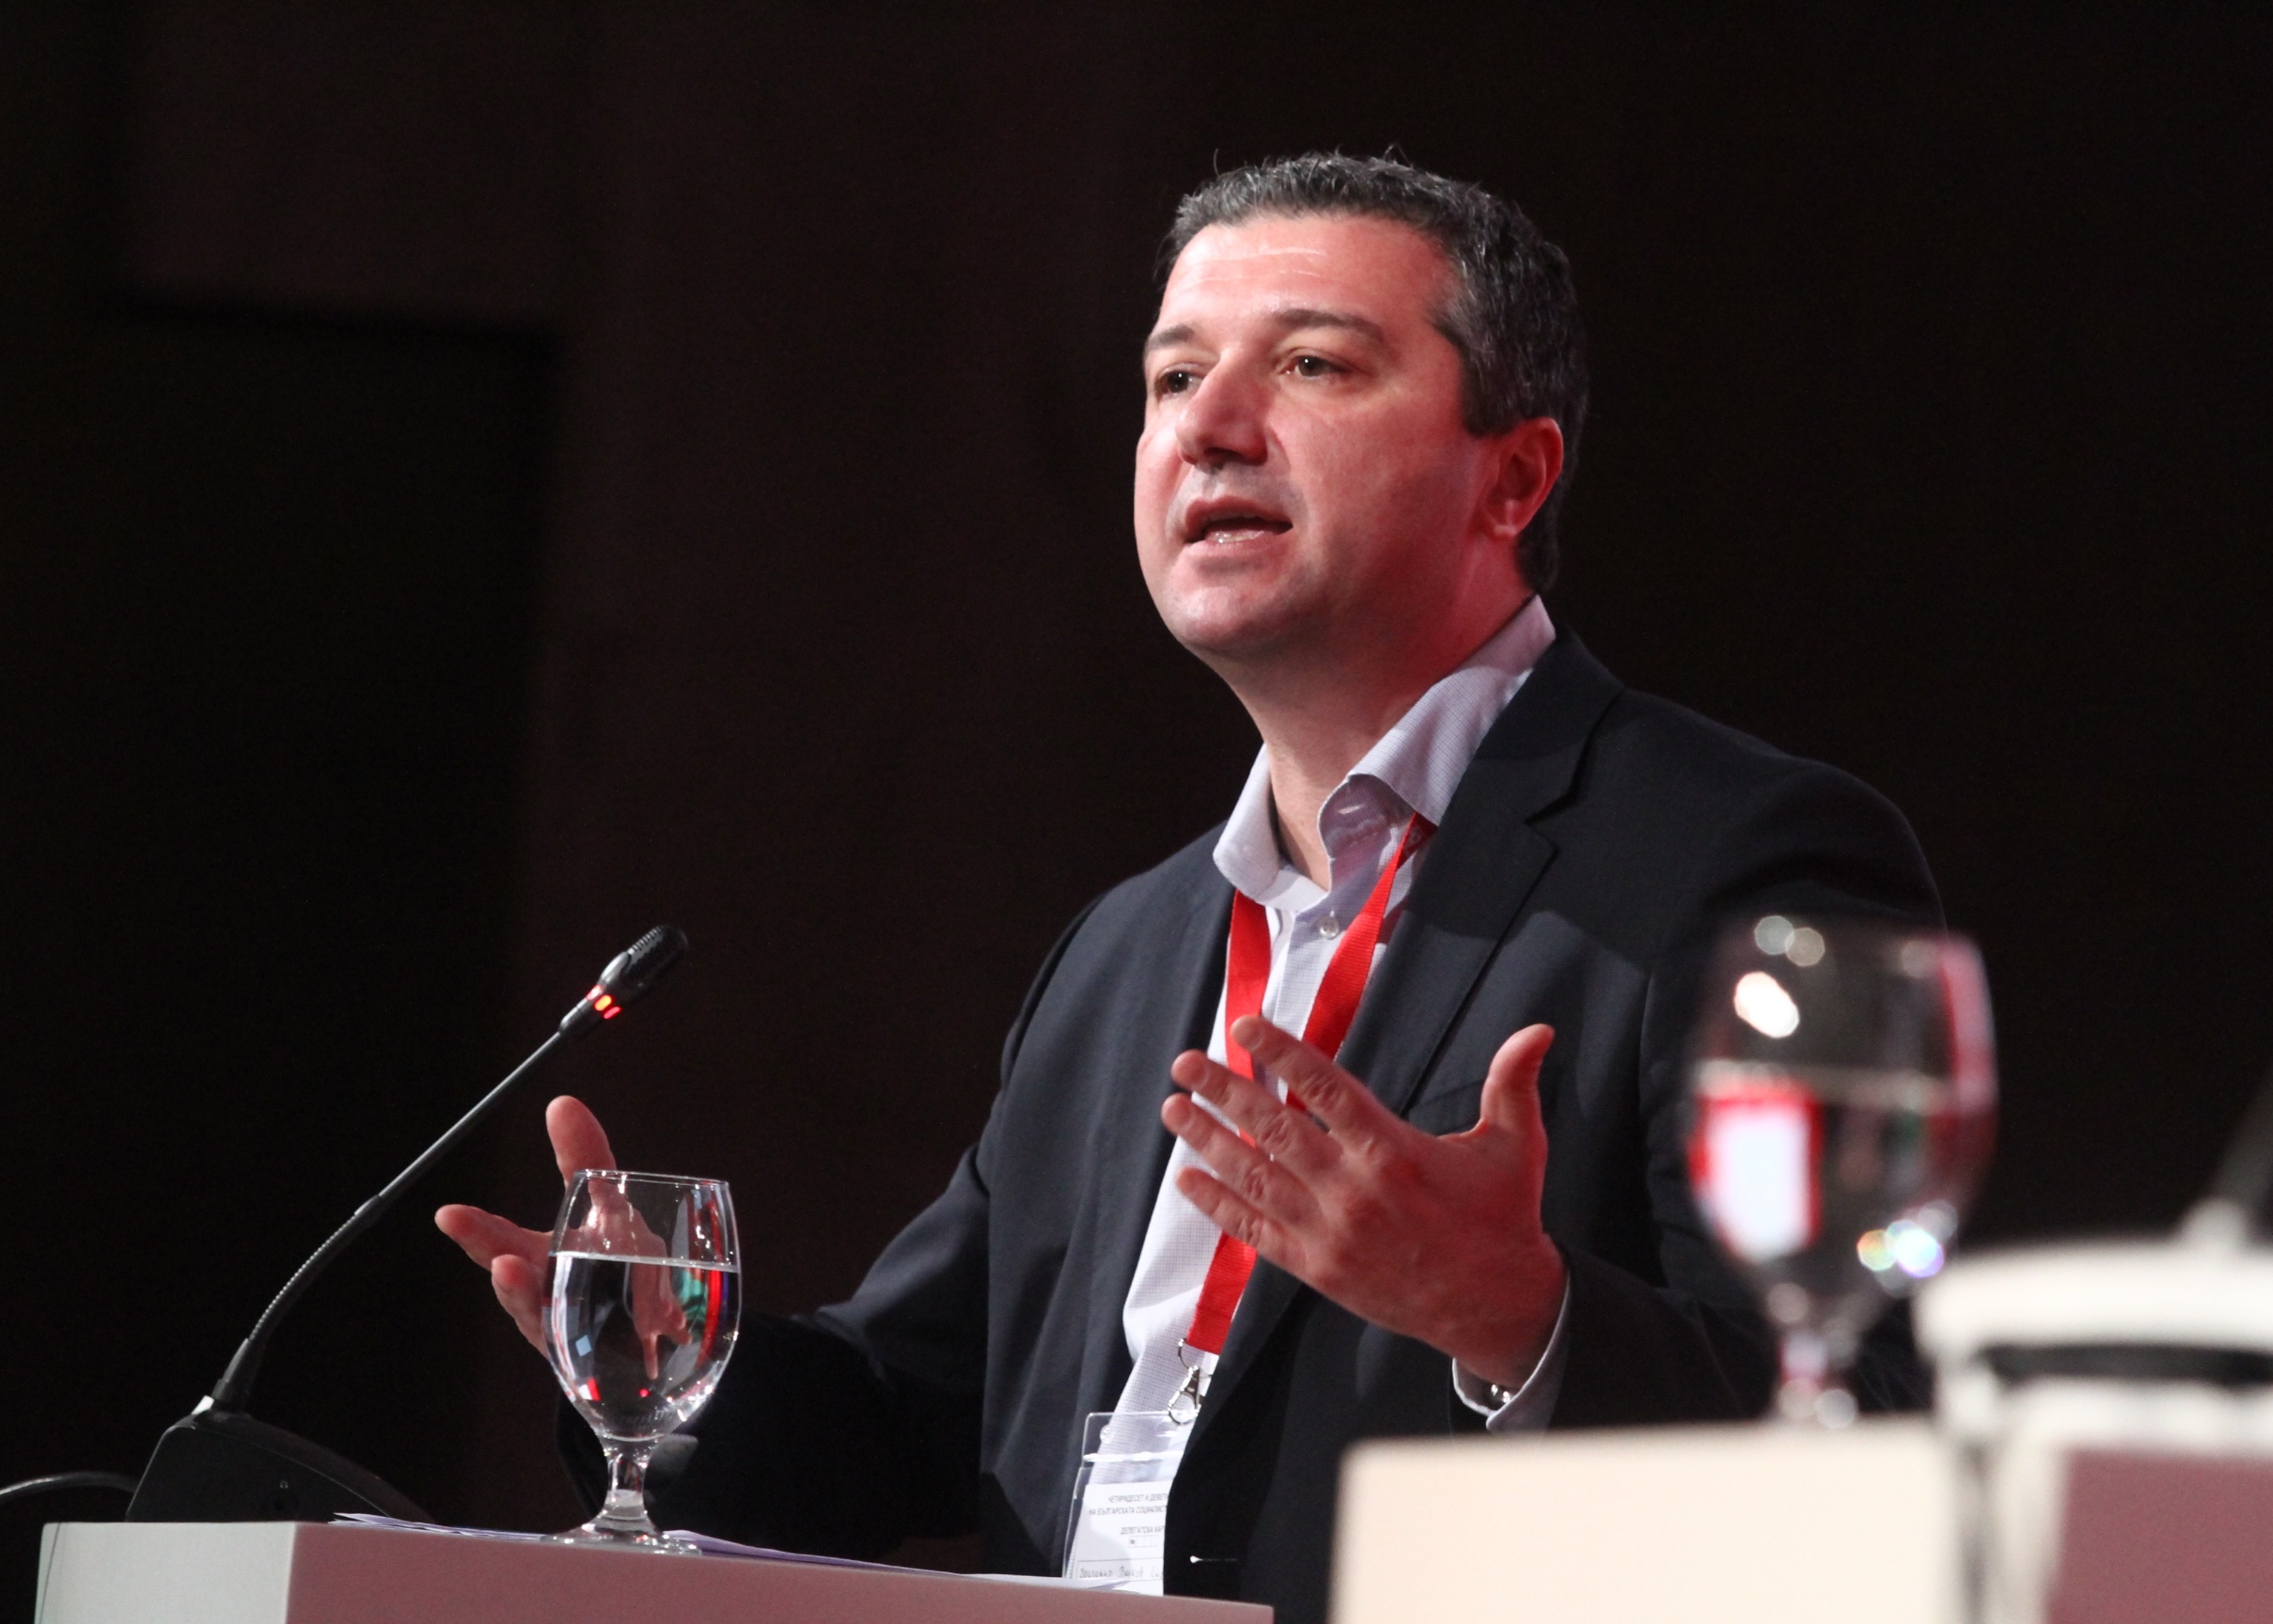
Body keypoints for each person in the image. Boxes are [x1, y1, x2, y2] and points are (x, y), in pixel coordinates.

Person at [438, 153, 1938, 1622]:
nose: (1210, 428)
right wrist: (659, 1356)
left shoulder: (1737, 861)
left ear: (1514, 476)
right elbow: (905, 1415)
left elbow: (1875, 1441)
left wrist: (1521, 1318)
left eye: (1312, 366)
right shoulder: (1125, 950)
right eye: (1171, 378)